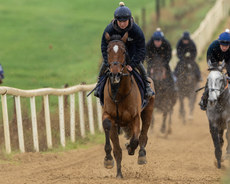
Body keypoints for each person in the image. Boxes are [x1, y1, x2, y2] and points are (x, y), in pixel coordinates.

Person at [94, 2, 154, 99]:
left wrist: (133, 64)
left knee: (141, 68)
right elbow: (104, 47)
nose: (122, 24)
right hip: (115, 57)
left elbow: (142, 49)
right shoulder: (109, 29)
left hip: (132, 55)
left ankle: (147, 87)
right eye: (120, 21)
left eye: (124, 21)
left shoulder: (136, 30)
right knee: (103, 67)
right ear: (116, 20)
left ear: (129, 19)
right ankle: (98, 86)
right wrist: (107, 61)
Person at [199, 30, 230, 111]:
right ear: (219, 43)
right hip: (214, 59)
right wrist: (214, 68)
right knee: (213, 77)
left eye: (226, 46)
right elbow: (209, 58)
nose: (224, 47)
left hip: (228, 60)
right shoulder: (213, 46)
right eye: (222, 45)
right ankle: (204, 99)